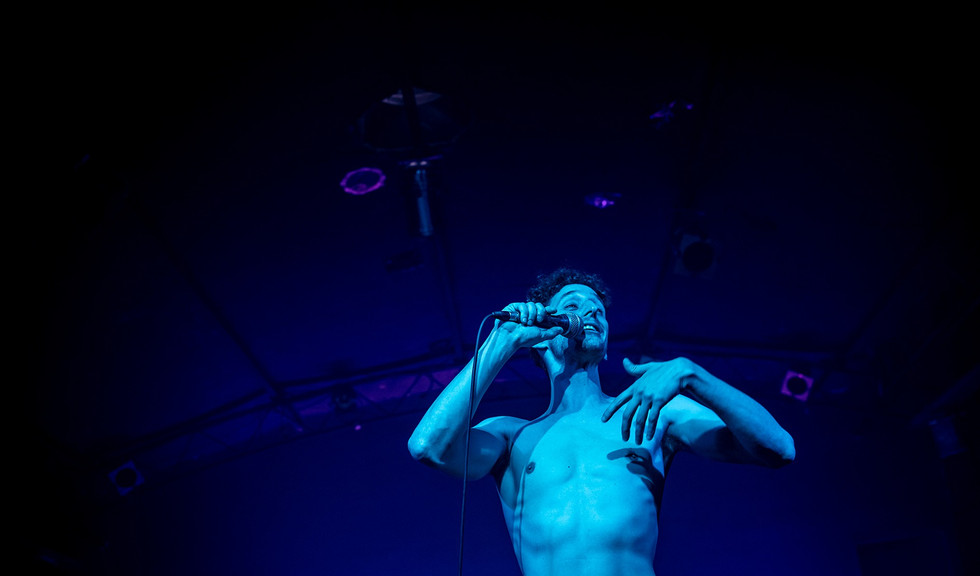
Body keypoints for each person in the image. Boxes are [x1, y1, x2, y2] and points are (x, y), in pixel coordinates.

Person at [408, 267, 795, 576]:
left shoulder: (652, 412)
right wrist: (502, 341)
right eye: (573, 304)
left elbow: (779, 448)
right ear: (542, 337)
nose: (591, 311)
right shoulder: (511, 435)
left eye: (598, 309)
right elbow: (429, 447)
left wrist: (690, 373)